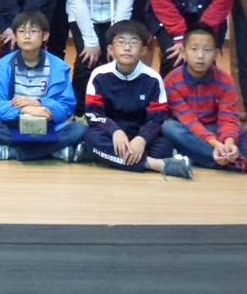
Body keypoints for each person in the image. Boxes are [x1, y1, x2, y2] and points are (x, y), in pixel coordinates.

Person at [79, 20, 191, 179]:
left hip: (139, 132)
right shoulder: (99, 75)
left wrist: (142, 138)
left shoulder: (153, 78)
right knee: (92, 138)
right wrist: (115, 131)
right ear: (110, 49)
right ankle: (154, 164)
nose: (127, 47)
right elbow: (93, 113)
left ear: (143, 50)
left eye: (133, 42)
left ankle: (102, 156)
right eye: (121, 42)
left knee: (163, 147)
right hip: (111, 132)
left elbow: (157, 118)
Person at [161, 25, 247, 175]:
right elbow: (188, 120)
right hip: (189, 131)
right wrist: (215, 144)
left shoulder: (225, 81)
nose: (200, 56)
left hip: (215, 129)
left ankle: (199, 156)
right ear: (183, 52)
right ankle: (239, 163)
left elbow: (228, 118)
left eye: (207, 50)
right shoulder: (171, 81)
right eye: (194, 49)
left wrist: (229, 142)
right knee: (169, 128)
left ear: (216, 54)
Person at [0, 10, 84, 162]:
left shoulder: (58, 67)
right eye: (22, 31)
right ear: (15, 36)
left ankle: (11, 152)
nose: (27, 36)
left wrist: (39, 104)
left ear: (45, 36)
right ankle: (54, 150)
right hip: (15, 125)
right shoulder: (3, 66)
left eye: (33, 31)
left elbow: (66, 106)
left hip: (48, 125)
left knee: (79, 129)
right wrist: (24, 109)